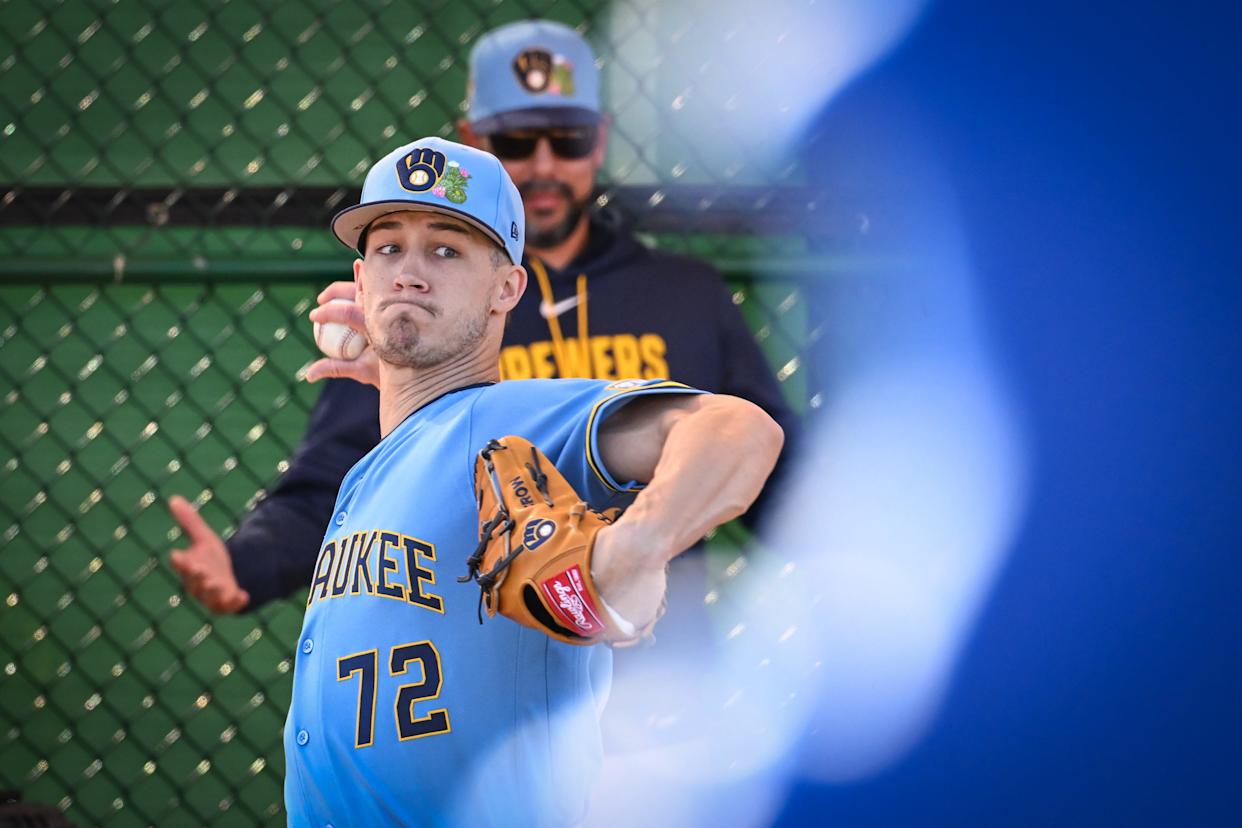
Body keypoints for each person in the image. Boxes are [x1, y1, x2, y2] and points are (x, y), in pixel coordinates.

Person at [168, 19, 797, 617]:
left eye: (568, 138)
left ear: (600, 139)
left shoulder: (685, 292)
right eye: (518, 141)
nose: (545, 165)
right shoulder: (426, 307)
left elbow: (775, 475)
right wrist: (245, 564)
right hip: (490, 655)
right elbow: (333, 481)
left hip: (658, 670)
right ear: (474, 142)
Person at [277, 136, 781, 825]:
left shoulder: (515, 418)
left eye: (447, 251)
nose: (411, 272)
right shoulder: (370, 470)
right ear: (360, 282)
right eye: (389, 248)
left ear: (507, 288)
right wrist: (400, 376)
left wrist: (634, 546)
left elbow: (738, 428)